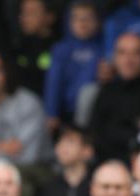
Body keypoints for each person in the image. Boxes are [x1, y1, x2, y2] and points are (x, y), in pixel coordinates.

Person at [88, 33, 140, 162]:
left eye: (136, 53)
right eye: (122, 53)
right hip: (107, 163)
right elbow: (95, 134)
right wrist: (136, 129)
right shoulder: (106, 91)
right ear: (115, 58)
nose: (128, 60)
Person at [43, 0, 102, 128]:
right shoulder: (60, 49)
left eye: (88, 18)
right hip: (66, 112)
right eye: (77, 18)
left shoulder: (103, 49)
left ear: (97, 22)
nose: (82, 23)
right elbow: (53, 82)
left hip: (96, 112)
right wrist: (52, 113)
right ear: (69, 22)